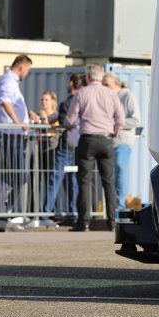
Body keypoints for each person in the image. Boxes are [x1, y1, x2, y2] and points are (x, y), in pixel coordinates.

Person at [64, 64, 124, 231]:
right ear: (100, 76)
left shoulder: (82, 93)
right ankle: (112, 222)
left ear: (88, 77)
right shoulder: (111, 94)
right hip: (106, 140)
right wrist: (114, 133)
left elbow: (70, 119)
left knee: (84, 181)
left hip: (88, 140)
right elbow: (121, 119)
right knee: (109, 182)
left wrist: (68, 126)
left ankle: (83, 222)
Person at [0, 55, 38, 210]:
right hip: (12, 135)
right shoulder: (8, 81)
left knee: (14, 175)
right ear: (21, 68)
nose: (27, 74)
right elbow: (5, 101)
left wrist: (27, 113)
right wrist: (19, 122)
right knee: (19, 176)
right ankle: (5, 208)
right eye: (28, 70)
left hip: (14, 135)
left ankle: (3, 207)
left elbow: (11, 103)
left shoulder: (11, 81)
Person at [102, 73, 141, 210]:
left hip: (123, 141)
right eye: (103, 85)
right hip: (108, 142)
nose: (104, 88)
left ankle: (120, 205)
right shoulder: (107, 99)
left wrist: (116, 123)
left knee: (120, 168)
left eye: (107, 85)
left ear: (117, 84)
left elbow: (136, 120)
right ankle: (110, 207)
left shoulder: (128, 96)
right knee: (109, 175)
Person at [50, 73, 85, 224]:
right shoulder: (85, 100)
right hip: (80, 145)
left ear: (71, 83)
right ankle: (74, 213)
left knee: (55, 179)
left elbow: (65, 122)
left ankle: (45, 213)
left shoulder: (66, 103)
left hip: (66, 145)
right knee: (74, 182)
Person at [36, 90, 60, 228]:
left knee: (52, 181)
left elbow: (52, 132)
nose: (44, 102)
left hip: (52, 150)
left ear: (52, 101)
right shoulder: (40, 116)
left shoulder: (55, 116)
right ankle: (43, 210)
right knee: (42, 181)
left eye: (46, 99)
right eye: (42, 100)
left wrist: (44, 118)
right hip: (41, 151)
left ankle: (51, 212)